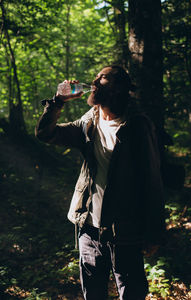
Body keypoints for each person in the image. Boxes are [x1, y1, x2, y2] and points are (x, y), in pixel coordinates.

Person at [35, 65, 165, 300]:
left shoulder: (137, 126)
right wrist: (58, 102)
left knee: (131, 292)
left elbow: (152, 180)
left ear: (119, 89)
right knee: (93, 293)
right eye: (95, 76)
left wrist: (154, 233)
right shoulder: (90, 121)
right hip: (88, 227)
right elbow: (45, 133)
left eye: (102, 78)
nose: (94, 81)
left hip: (125, 230)